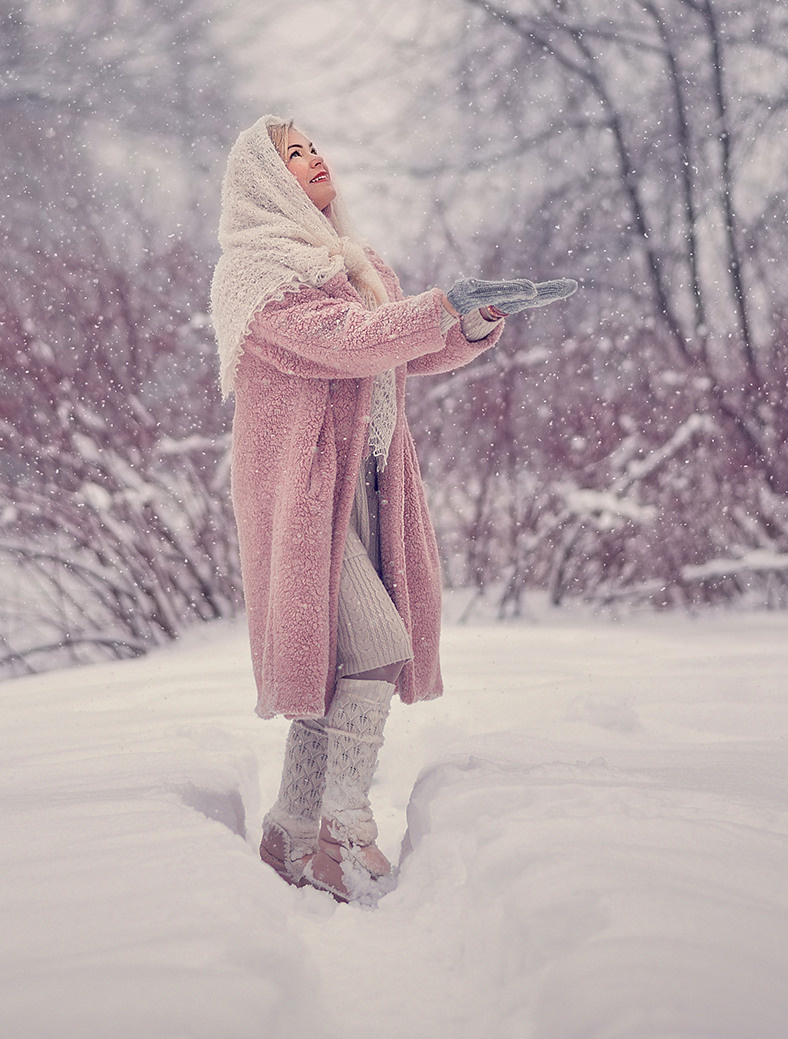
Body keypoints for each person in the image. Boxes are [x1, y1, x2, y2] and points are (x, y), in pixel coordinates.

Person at [210, 113, 577, 904]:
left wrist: (470, 318)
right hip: (304, 493)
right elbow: (351, 339)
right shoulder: (257, 274)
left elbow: (403, 344)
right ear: (264, 184)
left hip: (363, 483)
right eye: (291, 155)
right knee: (377, 642)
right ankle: (345, 829)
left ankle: (287, 832)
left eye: (310, 146)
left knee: (341, 668)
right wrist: (440, 304)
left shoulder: (355, 262)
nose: (312, 159)